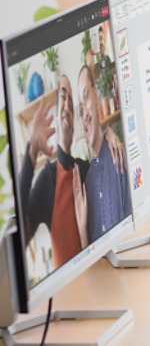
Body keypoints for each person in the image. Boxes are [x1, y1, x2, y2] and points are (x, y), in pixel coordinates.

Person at [17, 75, 87, 267]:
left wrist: (111, 135)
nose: (67, 105)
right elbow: (19, 236)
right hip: (65, 295)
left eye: (71, 104)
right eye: (63, 98)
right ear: (57, 116)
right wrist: (32, 150)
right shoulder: (46, 179)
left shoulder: (85, 170)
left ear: (73, 123)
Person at [77, 64, 130, 242]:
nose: (84, 113)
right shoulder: (88, 181)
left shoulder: (118, 154)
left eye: (86, 97)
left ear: (97, 96)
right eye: (80, 109)